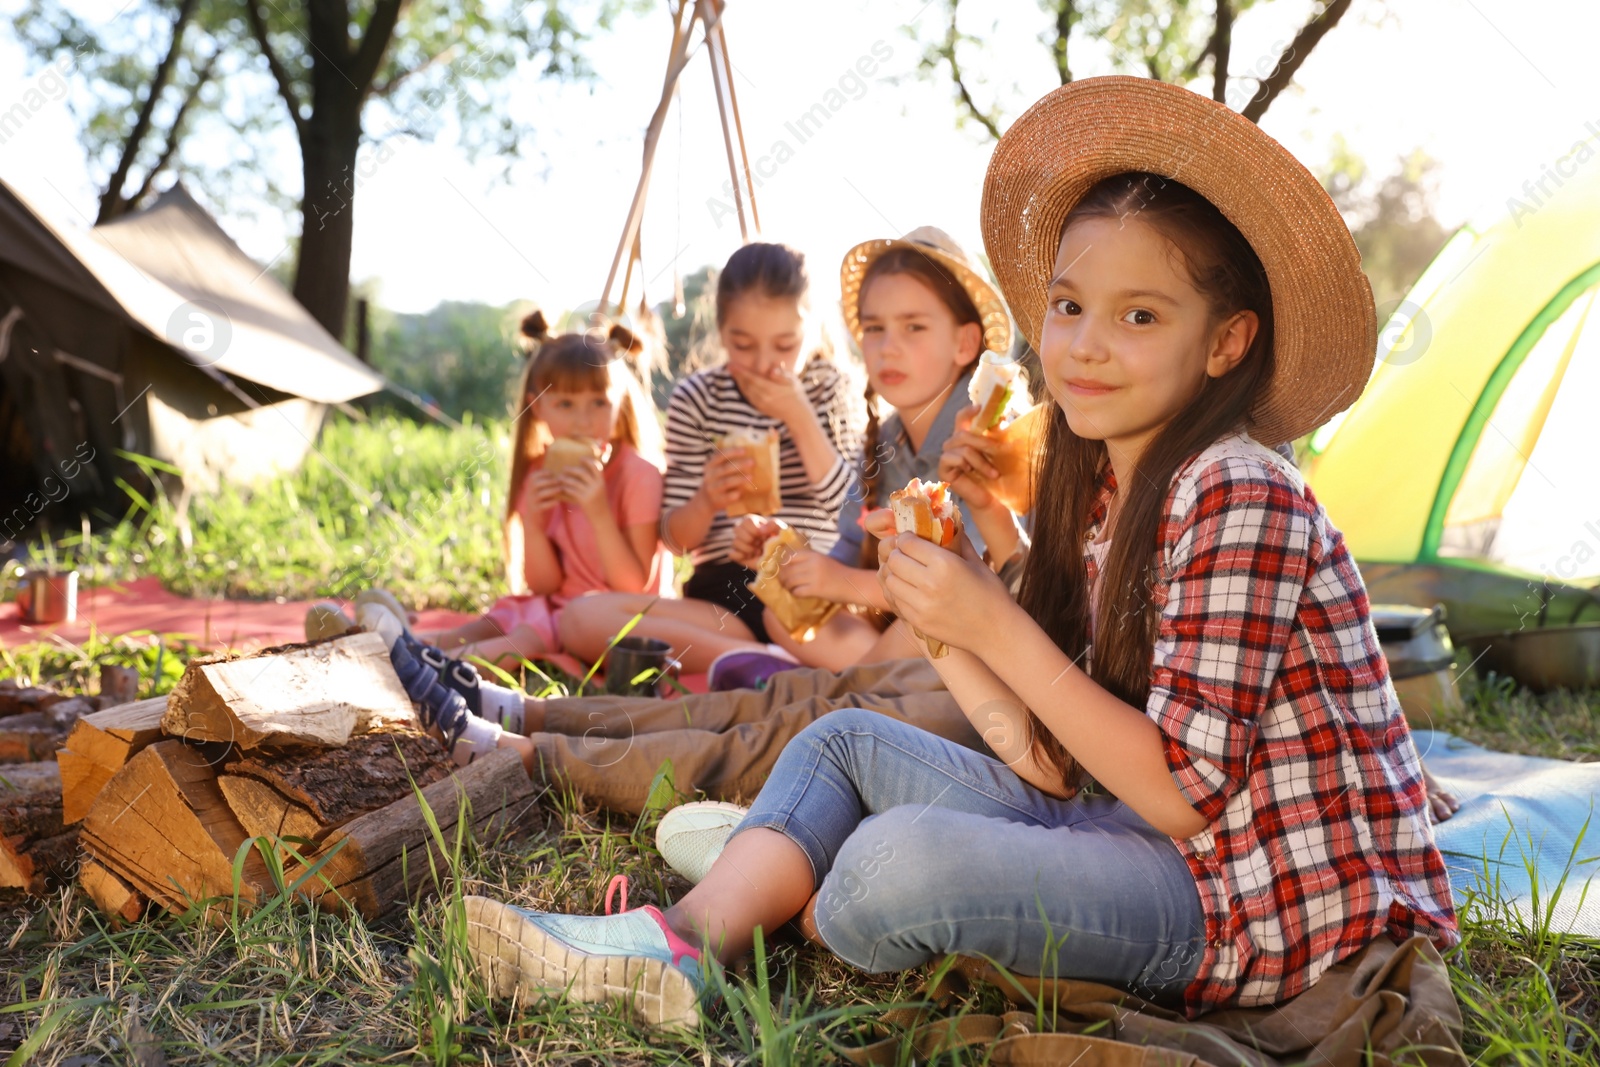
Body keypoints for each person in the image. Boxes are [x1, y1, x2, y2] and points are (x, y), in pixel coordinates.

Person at [453, 77, 1460, 1030]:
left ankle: (793, 858)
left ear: (1227, 341)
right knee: (842, 740)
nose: (1085, 344)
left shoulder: (1237, 483)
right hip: (1132, 826)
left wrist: (994, 621)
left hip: (1255, 896)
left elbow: (1181, 793)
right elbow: (1049, 763)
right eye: (1068, 306)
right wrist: (946, 621)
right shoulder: (1106, 492)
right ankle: (671, 949)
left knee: (887, 866)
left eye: (1139, 315)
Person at [714, 226, 1028, 683]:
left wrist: (835, 581)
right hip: (902, 640)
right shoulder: (884, 441)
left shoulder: (984, 433)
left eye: (913, 327)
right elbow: (845, 554)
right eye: (875, 328)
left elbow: (968, 583)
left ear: (964, 343)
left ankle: (836, 691)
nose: (889, 346)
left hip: (984, 638)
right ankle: (854, 685)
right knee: (781, 615)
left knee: (916, 628)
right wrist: (783, 552)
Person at [556, 242, 864, 673]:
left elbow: (854, 514)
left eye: (784, 345)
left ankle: (759, 663)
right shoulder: (698, 398)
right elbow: (674, 539)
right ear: (721, 332)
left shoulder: (832, 388)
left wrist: (800, 419)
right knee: (580, 618)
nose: (763, 363)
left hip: (812, 595)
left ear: (810, 330)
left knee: (862, 642)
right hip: (722, 605)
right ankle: (763, 662)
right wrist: (706, 500)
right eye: (742, 344)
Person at [309, 312, 669, 670]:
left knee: (529, 635)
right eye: (565, 404)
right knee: (499, 620)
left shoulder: (638, 475)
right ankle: (394, 642)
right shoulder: (544, 473)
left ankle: (420, 667)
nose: (582, 420)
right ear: (538, 406)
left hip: (614, 621)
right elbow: (544, 586)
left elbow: (634, 588)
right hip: (556, 607)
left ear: (620, 400)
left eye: (599, 403)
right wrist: (534, 522)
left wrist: (597, 511)